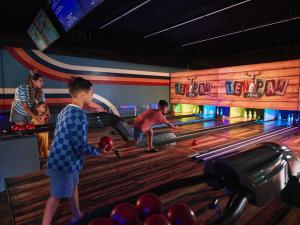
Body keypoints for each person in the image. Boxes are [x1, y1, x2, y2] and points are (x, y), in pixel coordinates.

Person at [42, 77, 108, 225]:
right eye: (92, 92)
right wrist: (98, 151)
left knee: (73, 187)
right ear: (83, 94)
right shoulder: (79, 116)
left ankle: (76, 214)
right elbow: (79, 145)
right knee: (55, 196)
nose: (92, 95)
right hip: (64, 164)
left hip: (61, 160)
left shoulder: (65, 110)